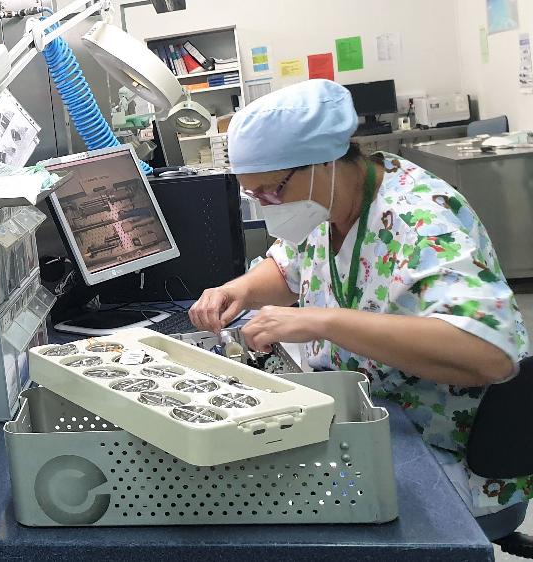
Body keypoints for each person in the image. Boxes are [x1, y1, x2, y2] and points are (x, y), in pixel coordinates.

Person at [189, 79, 530, 537]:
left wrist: (324, 322)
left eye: (271, 192)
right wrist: (241, 290)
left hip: (443, 454)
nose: (267, 207)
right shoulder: (325, 206)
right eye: (254, 196)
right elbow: (289, 265)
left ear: (323, 162)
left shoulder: (419, 220)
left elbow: (490, 352)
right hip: (373, 429)